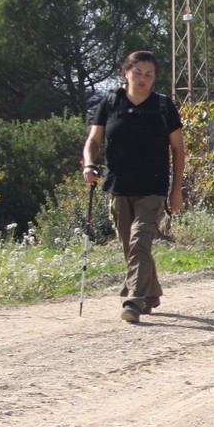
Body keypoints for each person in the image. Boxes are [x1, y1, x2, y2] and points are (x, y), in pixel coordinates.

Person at [82, 51, 186, 324]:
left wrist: (176, 190)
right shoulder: (110, 103)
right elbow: (94, 140)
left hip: (153, 187)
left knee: (140, 241)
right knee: (130, 245)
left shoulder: (163, 106)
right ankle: (151, 292)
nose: (143, 79)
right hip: (119, 185)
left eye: (149, 74)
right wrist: (89, 164)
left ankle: (134, 301)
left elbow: (178, 149)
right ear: (125, 73)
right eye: (137, 73)